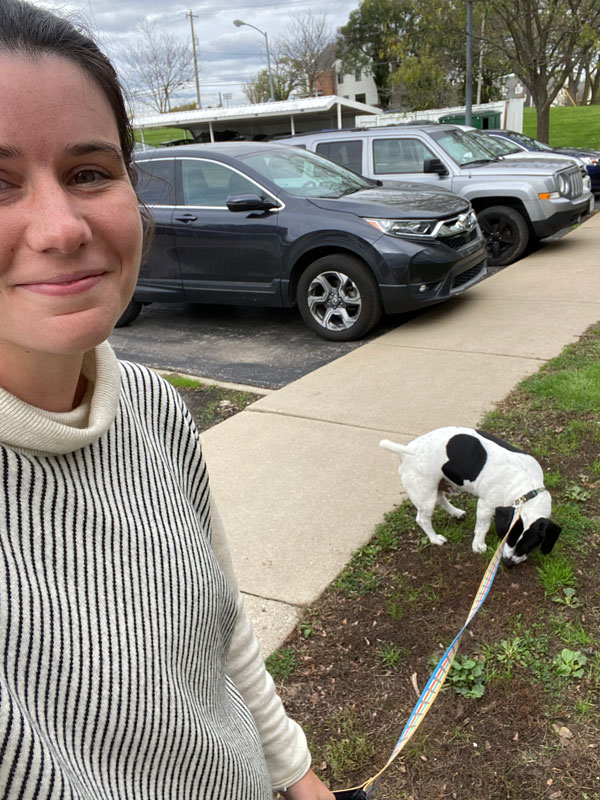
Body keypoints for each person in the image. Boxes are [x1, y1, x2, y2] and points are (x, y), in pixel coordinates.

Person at [0, 2, 335, 798]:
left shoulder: (151, 407)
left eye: (89, 172)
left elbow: (224, 644)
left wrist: (300, 779)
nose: (60, 227)